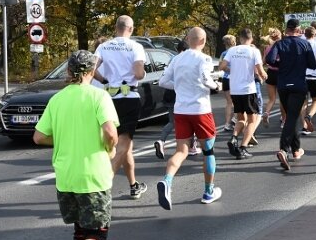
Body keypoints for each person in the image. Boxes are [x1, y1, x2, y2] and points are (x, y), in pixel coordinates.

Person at [34, 50, 119, 240]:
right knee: (98, 237)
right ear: (92, 72)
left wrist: (63, 139)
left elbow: (38, 137)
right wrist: (109, 147)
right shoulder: (98, 97)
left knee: (81, 232)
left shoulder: (57, 99)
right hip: (92, 176)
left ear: (69, 71)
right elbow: (111, 133)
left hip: (66, 177)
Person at [157, 27, 221, 209]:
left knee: (181, 151)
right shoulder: (204, 58)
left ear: (188, 38)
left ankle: (167, 181)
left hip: (181, 109)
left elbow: (163, 82)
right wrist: (216, 85)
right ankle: (209, 191)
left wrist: (179, 87)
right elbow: (206, 79)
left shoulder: (177, 58)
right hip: (200, 109)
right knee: (208, 152)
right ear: (203, 41)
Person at [93, 15, 147, 200]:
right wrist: (142, 72)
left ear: (116, 28)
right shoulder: (136, 46)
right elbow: (139, 74)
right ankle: (102, 185)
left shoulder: (104, 46)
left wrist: (104, 80)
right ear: (131, 29)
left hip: (109, 98)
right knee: (123, 145)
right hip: (129, 97)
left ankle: (133, 185)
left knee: (125, 148)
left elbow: (90, 68)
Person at [265, 19, 316, 170]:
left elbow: (269, 60)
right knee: (292, 118)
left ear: (286, 29)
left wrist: (281, 64)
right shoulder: (305, 44)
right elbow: (313, 64)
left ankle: (296, 150)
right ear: (299, 29)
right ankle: (283, 149)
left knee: (291, 118)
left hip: (283, 85)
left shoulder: (279, 44)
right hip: (299, 85)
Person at [221, 28, 267, 160]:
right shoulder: (254, 51)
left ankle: (234, 137)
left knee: (241, 118)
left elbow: (222, 66)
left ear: (240, 38)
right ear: (251, 38)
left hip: (234, 89)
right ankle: (243, 147)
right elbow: (260, 71)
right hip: (248, 89)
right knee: (252, 120)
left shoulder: (232, 50)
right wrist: (264, 76)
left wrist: (233, 71)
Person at [154, 40, 188, 160]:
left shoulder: (171, 59)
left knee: (172, 121)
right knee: (189, 120)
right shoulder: (185, 60)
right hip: (180, 94)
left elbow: (164, 78)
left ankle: (161, 140)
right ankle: (191, 146)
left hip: (169, 94)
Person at [302, 26, 316, 135]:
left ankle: (304, 126)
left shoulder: (301, 44)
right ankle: (309, 116)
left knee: (303, 102)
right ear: (315, 35)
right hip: (314, 77)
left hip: (302, 77)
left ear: (305, 34)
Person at [261, 28, 282, 128]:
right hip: (280, 73)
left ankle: (267, 112)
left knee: (271, 99)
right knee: (282, 99)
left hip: (270, 73)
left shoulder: (268, 47)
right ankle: (284, 119)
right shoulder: (283, 45)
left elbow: (263, 62)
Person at [220, 35, 237, 132]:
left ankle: (227, 124)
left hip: (226, 79)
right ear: (234, 42)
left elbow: (221, 66)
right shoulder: (237, 51)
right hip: (235, 79)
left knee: (229, 102)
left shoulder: (223, 53)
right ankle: (235, 118)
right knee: (237, 101)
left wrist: (228, 69)